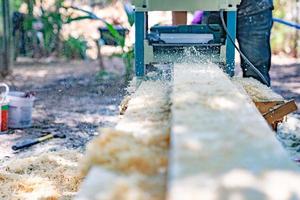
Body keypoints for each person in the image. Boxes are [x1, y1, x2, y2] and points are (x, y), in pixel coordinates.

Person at [172, 0, 273, 86]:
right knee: (208, 67)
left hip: (255, 6)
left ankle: (261, 107)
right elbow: (180, 4)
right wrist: (177, 39)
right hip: (213, 6)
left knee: (255, 70)